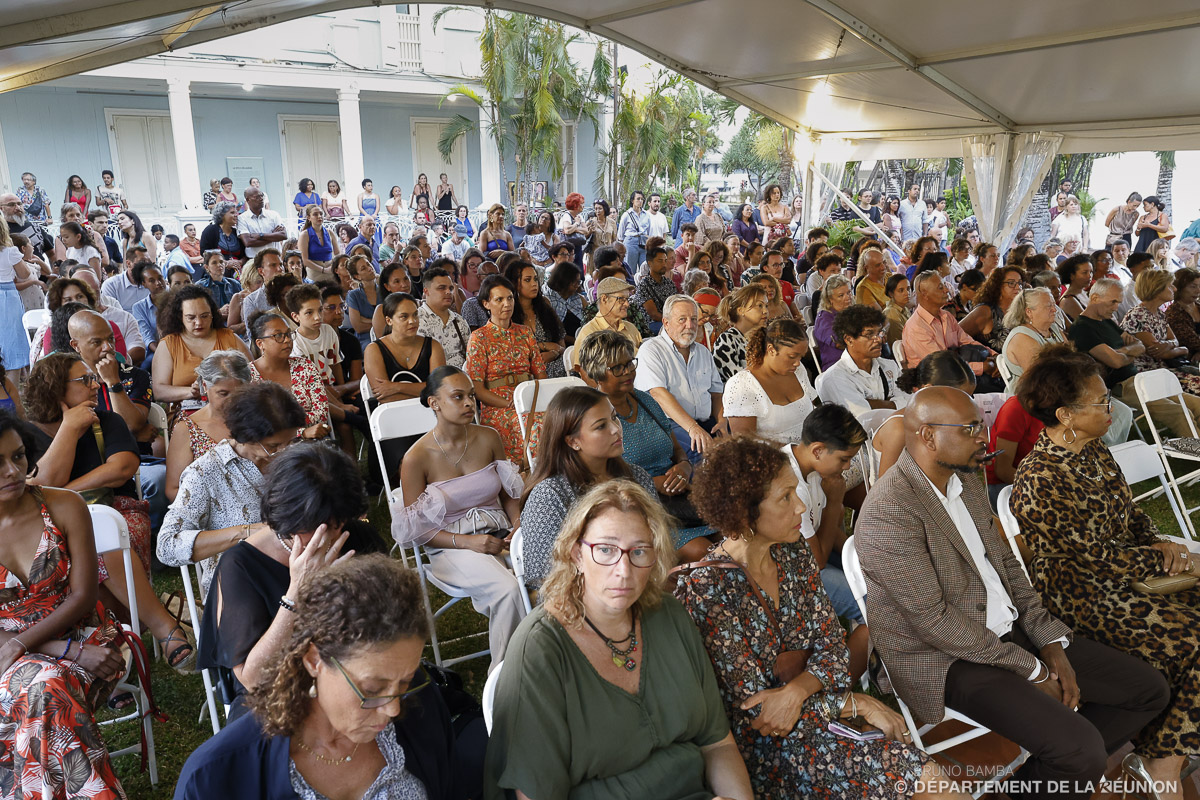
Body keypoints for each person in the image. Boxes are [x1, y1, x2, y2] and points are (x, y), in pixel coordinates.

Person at [854, 386, 1170, 800]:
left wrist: (1049, 640)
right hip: (945, 657)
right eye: (970, 429)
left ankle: (1041, 777)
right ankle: (1069, 759)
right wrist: (1032, 668)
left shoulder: (965, 478)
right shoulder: (889, 511)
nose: (983, 439)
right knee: (1081, 752)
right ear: (928, 435)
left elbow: (1006, 564)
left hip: (1004, 628)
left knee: (1148, 691)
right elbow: (934, 623)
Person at [676, 434, 953, 800]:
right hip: (767, 751)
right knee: (921, 775)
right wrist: (852, 701)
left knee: (927, 776)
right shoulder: (708, 588)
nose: (801, 507)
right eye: (785, 497)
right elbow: (757, 710)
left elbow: (833, 651)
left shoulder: (793, 555)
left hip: (818, 722)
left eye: (796, 492)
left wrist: (801, 690)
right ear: (743, 512)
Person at [1011, 346, 1200, 797]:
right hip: (1081, 595)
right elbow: (1094, 557)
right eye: (1100, 402)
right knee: (1190, 638)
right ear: (1066, 415)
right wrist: (1160, 559)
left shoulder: (1093, 450)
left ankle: (1161, 751)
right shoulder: (1040, 479)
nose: (1111, 407)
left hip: (1126, 574)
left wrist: (1160, 541)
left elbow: (1130, 514)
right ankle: (1163, 763)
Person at [490, 479, 754, 800]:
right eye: (605, 549)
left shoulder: (669, 616)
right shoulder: (541, 649)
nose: (624, 570)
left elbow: (718, 744)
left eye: (639, 551)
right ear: (576, 554)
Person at [177, 552, 476, 800]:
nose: (393, 708)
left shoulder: (421, 710)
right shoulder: (213, 779)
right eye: (372, 689)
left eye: (406, 681)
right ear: (313, 660)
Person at [24, 353, 195, 672]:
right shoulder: (26, 435)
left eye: (93, 378)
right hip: (55, 528)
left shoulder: (108, 420)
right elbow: (39, 488)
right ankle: (159, 628)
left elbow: (122, 468)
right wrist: (70, 429)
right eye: (83, 380)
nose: (94, 385)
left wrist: (63, 496)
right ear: (56, 388)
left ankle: (118, 656)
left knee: (103, 537)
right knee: (87, 545)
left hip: (120, 510)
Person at [199, 439, 383, 719]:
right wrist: (298, 592)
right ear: (286, 518)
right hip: (279, 695)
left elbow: (392, 627)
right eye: (317, 526)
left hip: (360, 677)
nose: (330, 534)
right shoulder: (241, 566)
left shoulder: (359, 538)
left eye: (338, 522)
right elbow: (255, 679)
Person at [0, 409, 128, 799]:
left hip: (86, 634)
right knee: (45, 689)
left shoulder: (64, 505)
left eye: (18, 456)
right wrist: (56, 650)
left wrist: (27, 644)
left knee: (43, 690)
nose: (11, 471)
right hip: (23, 651)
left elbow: (83, 595)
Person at [392, 365, 527, 665]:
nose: (469, 403)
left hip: (501, 532)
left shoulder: (488, 437)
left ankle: (548, 663)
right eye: (457, 397)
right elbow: (416, 530)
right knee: (508, 591)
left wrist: (517, 525)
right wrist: (470, 543)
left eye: (470, 395)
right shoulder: (416, 458)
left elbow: (508, 494)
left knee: (546, 578)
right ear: (434, 403)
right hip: (450, 544)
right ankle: (506, 680)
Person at [576, 332, 717, 561]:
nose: (629, 372)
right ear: (598, 374)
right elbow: (595, 478)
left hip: (678, 502)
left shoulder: (645, 400)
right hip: (637, 511)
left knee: (734, 538)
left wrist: (683, 467)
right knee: (706, 554)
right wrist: (650, 484)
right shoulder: (594, 417)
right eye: (618, 368)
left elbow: (676, 449)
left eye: (630, 364)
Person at [160, 378, 304, 599]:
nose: (283, 452)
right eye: (273, 446)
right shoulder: (206, 473)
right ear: (244, 435)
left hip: (299, 574)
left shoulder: (294, 459)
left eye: (290, 442)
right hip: (240, 590)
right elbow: (167, 546)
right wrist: (245, 533)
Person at [1070, 277, 1200, 438]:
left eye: (1119, 302)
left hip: (1139, 378)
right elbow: (1116, 362)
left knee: (1196, 404)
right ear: (1095, 298)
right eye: (1113, 302)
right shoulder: (1083, 328)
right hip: (1121, 387)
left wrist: (1123, 351)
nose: (1116, 307)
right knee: (1179, 412)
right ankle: (1195, 451)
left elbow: (1140, 346)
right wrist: (1129, 352)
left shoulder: (1106, 321)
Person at [464, 274, 547, 464]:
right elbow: (477, 388)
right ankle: (529, 475)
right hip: (498, 405)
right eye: (499, 299)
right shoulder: (479, 338)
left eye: (510, 298)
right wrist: (509, 403)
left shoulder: (524, 332)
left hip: (529, 398)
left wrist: (536, 398)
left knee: (560, 420)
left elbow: (541, 374)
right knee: (534, 426)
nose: (507, 304)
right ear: (486, 304)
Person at [634, 294, 727, 462]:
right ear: (666, 323)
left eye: (693, 319)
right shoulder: (651, 350)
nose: (689, 325)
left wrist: (721, 421)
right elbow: (658, 394)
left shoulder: (702, 352)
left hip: (706, 422)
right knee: (704, 455)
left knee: (738, 447)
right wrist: (693, 428)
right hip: (670, 425)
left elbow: (716, 393)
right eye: (682, 320)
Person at [152, 285, 250, 409]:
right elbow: (159, 391)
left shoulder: (230, 338)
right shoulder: (168, 344)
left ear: (213, 314)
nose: (198, 322)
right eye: (191, 317)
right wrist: (191, 392)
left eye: (204, 316)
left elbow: (253, 377)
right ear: (180, 317)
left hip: (231, 409)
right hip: (186, 414)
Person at [901, 271, 1000, 387]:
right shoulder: (916, 327)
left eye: (945, 286)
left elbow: (967, 340)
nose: (946, 290)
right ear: (924, 294)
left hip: (955, 376)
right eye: (940, 288)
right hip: (933, 384)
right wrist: (983, 367)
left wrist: (994, 356)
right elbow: (940, 365)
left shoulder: (946, 317)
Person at [724, 319, 815, 442]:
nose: (797, 362)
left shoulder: (797, 370)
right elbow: (745, 446)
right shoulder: (741, 385)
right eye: (792, 356)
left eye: (801, 357)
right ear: (771, 349)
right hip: (774, 458)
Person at [817, 304, 908, 423]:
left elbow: (910, 401)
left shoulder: (889, 366)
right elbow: (864, 419)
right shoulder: (835, 378)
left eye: (880, 332)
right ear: (849, 339)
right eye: (869, 335)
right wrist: (894, 403)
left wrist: (871, 404)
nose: (879, 339)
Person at [247, 312, 331, 438]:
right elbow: (256, 424)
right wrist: (301, 432)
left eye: (288, 334)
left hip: (313, 441)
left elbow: (321, 414)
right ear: (260, 344)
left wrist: (279, 422)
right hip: (270, 448)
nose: (287, 340)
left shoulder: (305, 366)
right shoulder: (248, 376)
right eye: (278, 335)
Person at [1122, 269, 1200, 393]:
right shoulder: (1137, 315)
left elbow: (1175, 341)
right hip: (1149, 375)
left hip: (1165, 370)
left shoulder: (1159, 314)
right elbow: (1160, 353)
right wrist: (1181, 349)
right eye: (1170, 286)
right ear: (1157, 289)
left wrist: (1171, 345)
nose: (1174, 289)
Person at [1000, 287, 1067, 391]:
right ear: (1029, 312)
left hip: (1061, 386)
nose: (1054, 309)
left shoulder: (1053, 328)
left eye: (1054, 304)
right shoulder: (1021, 337)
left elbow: (1072, 357)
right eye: (1048, 306)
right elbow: (1040, 378)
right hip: (1035, 396)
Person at [573, 276, 643, 368]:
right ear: (604, 299)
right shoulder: (588, 333)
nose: (627, 304)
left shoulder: (631, 328)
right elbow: (582, 371)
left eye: (627, 299)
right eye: (621, 299)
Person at [712, 284, 770, 382]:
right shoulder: (727, 340)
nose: (765, 311)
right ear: (741, 310)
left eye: (766, 306)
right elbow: (738, 381)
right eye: (759, 306)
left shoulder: (767, 337)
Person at [812, 274, 852, 372]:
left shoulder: (853, 311)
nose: (848, 298)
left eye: (849, 293)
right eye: (841, 295)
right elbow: (838, 342)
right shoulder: (824, 318)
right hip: (837, 367)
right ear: (830, 299)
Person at [237, 188, 286, 261]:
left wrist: (260, 235)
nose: (261, 199)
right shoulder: (242, 218)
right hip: (255, 261)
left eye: (262, 196)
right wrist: (273, 236)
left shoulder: (274, 215)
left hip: (275, 259)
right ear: (248, 200)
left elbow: (283, 235)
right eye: (257, 197)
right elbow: (248, 242)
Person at [297, 204, 338, 282]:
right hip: (314, 274)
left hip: (330, 272)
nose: (319, 216)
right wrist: (323, 270)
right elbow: (304, 259)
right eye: (315, 214)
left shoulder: (330, 232)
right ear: (309, 218)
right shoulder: (304, 235)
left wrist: (333, 266)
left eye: (321, 214)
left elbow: (338, 252)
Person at [195, 250, 242, 314]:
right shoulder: (200, 286)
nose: (219, 265)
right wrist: (219, 312)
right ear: (207, 267)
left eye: (221, 262)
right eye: (214, 263)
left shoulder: (234, 284)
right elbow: (199, 311)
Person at [1166, 267, 1200, 357]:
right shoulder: (1174, 313)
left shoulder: (1198, 305)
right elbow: (1194, 343)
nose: (1198, 290)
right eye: (1193, 286)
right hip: (1186, 360)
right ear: (1179, 288)